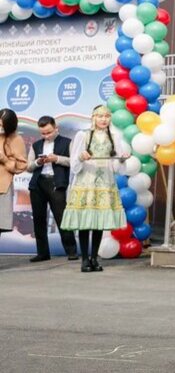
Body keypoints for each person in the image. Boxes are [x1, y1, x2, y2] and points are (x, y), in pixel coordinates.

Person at [60, 105, 129, 273]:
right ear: (93, 117)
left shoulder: (114, 137)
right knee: (85, 221)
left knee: (99, 222)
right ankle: (84, 259)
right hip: (86, 183)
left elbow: (116, 165)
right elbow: (74, 163)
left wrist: (122, 159)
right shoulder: (83, 135)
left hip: (105, 183)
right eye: (100, 116)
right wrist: (81, 157)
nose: (103, 119)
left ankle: (94, 258)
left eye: (106, 116)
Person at [27, 115, 79, 262]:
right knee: (38, 219)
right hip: (37, 184)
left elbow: (74, 163)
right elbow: (28, 167)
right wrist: (38, 161)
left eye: (49, 132)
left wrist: (56, 159)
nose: (46, 135)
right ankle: (42, 253)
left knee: (62, 218)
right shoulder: (36, 145)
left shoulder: (67, 142)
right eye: (43, 133)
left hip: (57, 183)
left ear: (56, 128)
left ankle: (71, 251)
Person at [0, 108, 28, 243]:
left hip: (2, 186)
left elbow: (21, 165)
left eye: (2, 124)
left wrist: (4, 159)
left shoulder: (16, 139)